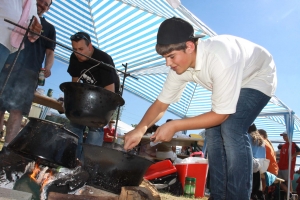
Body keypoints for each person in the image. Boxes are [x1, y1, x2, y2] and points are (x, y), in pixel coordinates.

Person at [123, 17, 277, 200]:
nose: (168, 63)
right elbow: (161, 104)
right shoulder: (180, 67)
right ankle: (218, 195)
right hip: (235, 77)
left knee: (232, 126)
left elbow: (221, 114)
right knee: (212, 132)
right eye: (165, 58)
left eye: (171, 56)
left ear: (189, 46)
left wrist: (174, 125)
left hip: (259, 76)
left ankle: (238, 196)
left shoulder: (220, 57)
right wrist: (140, 129)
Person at [67, 31, 120, 159]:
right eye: (75, 49)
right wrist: (74, 100)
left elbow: (110, 89)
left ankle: (87, 164)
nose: (78, 53)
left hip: (105, 98)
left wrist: (102, 113)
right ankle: (72, 159)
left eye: (81, 49)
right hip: (86, 95)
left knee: (95, 127)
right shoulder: (74, 57)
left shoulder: (103, 59)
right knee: (75, 123)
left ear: (90, 46)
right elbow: (76, 80)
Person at [0, 0, 44, 149]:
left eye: (47, 4)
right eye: (42, 2)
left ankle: (7, 149)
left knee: (16, 109)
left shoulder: (31, 4)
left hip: (8, 46)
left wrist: (35, 31)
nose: (43, 5)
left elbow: (31, 31)